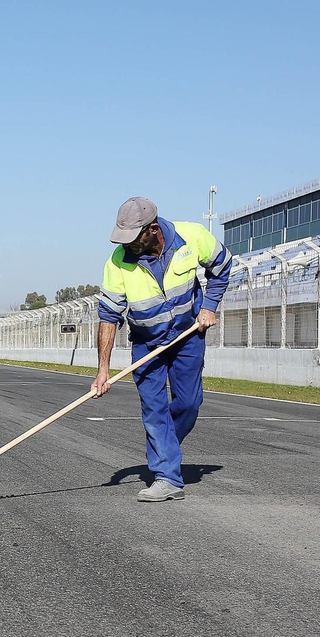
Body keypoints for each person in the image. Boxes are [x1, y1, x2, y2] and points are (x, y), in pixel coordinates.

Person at [88, 196, 231, 502]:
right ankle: (167, 476)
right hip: (146, 343)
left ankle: (165, 448)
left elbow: (222, 265)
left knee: (189, 404)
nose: (126, 245)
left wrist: (209, 306)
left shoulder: (191, 236)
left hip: (187, 337)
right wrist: (103, 370)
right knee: (154, 409)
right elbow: (109, 316)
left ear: (152, 229)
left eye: (133, 238)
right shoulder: (117, 262)